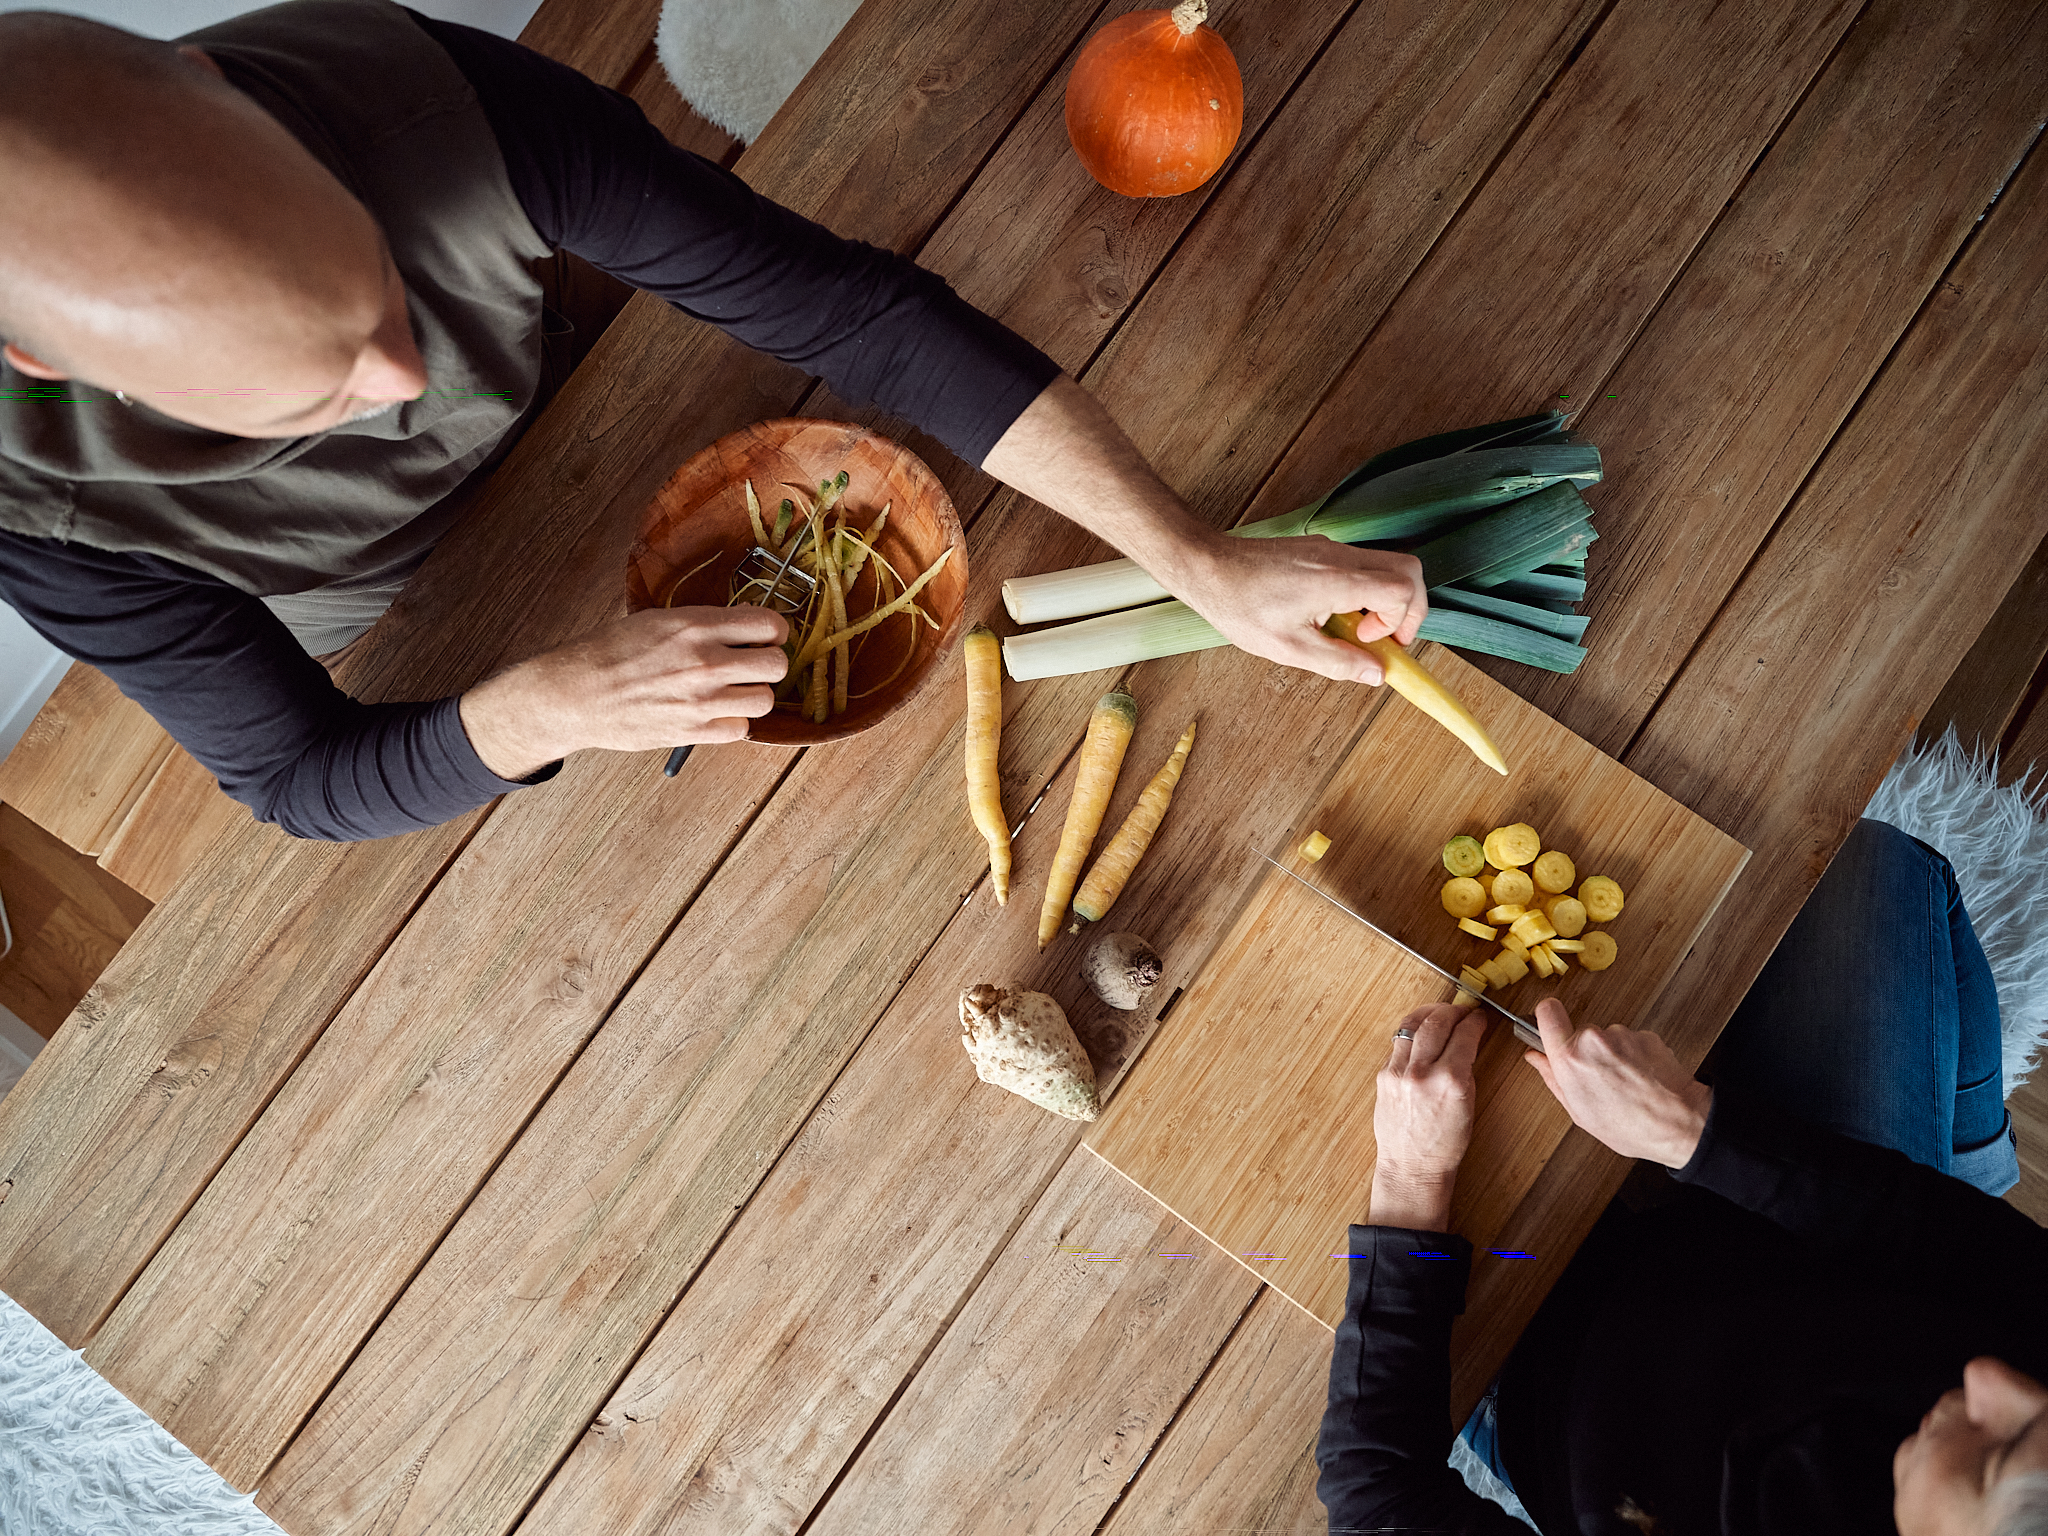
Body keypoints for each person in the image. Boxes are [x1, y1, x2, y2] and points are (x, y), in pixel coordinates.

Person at [0, 1, 1427, 841]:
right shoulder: (37, 519)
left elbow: (853, 316)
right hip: (409, 614)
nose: (403, 379)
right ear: (41, 365)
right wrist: (551, 702)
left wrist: (1196, 554)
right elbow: (297, 777)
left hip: (609, 415)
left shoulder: (423, 96)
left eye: (374, 284)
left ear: (217, 93)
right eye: (310, 398)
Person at [1317, 818, 2045, 1534]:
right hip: (1800, 1250)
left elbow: (1379, 1494)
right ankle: (1977, 1155)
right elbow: (1946, 1236)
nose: (1987, 1374)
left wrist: (1412, 1178)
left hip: (1552, 1371)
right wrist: (1690, 1126)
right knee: (1875, 866)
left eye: (1999, 1453)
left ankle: (1970, 1153)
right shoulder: (2009, 1381)